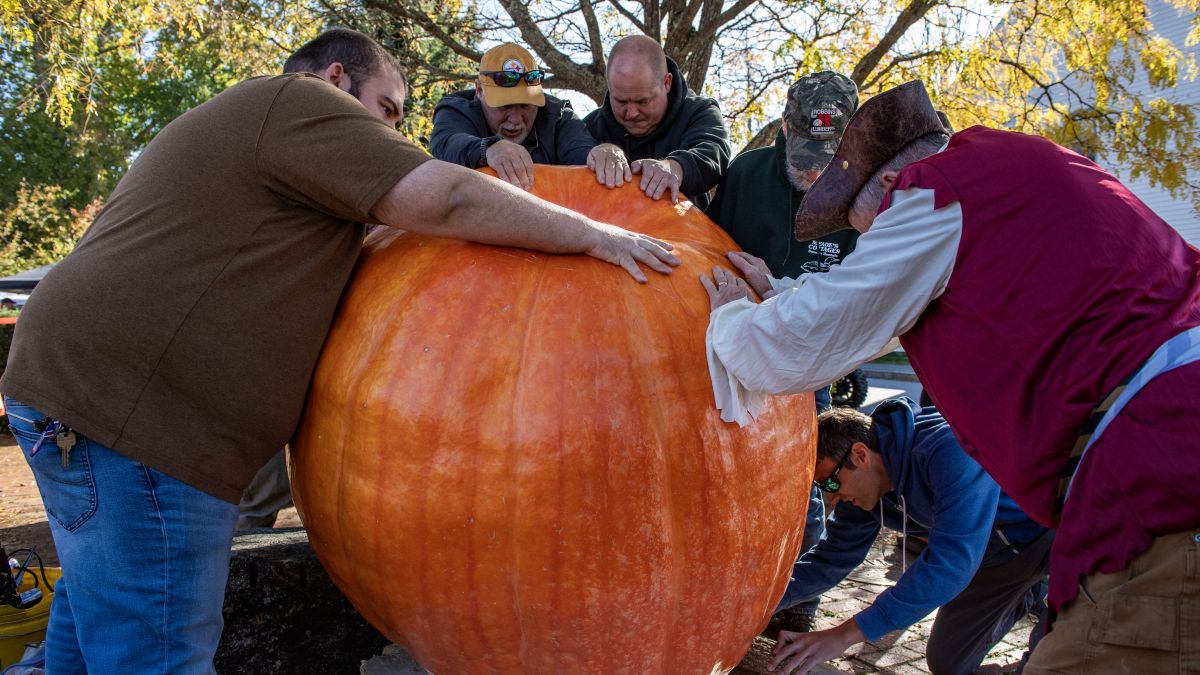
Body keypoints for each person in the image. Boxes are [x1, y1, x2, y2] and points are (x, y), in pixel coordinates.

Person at [0, 28, 678, 673]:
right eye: (387, 108)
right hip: (139, 424)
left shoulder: (272, 152)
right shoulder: (296, 103)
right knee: (158, 658)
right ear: (334, 78)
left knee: (92, 644)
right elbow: (441, 198)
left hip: (91, 402)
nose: (390, 132)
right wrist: (594, 235)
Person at [701, 80, 1200, 674]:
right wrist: (782, 295)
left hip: (1159, 468)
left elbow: (797, 349)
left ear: (888, 186)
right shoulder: (1019, 172)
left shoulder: (933, 194)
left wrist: (730, 317)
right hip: (1147, 461)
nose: (868, 246)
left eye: (867, 233)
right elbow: (872, 318)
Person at [706, 70, 860, 634]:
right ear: (785, 126)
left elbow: (859, 297)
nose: (813, 165)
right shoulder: (746, 175)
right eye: (803, 150)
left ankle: (796, 591)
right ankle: (725, 572)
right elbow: (708, 249)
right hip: (735, 344)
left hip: (809, 358)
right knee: (728, 461)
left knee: (803, 473)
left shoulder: (863, 195)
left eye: (828, 154)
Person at [771, 400, 1050, 675]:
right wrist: (763, 605)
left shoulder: (949, 447)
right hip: (993, 558)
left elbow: (950, 564)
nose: (830, 496)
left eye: (831, 482)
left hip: (1051, 538)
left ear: (860, 455)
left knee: (1054, 663)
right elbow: (832, 558)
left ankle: (1050, 604)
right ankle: (1027, 595)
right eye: (822, 487)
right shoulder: (865, 490)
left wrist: (843, 636)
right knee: (949, 665)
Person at [583, 35, 730, 209]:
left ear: (667, 83)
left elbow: (713, 151)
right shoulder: (590, 126)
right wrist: (594, 153)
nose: (631, 113)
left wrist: (676, 167)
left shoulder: (699, 112)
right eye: (621, 101)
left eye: (642, 101)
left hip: (682, 232)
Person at [430, 43, 597, 190]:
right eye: (505, 106)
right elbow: (446, 141)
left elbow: (586, 156)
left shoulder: (558, 115)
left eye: (526, 105)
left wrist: (602, 154)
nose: (516, 119)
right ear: (480, 90)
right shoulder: (457, 109)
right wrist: (488, 148)